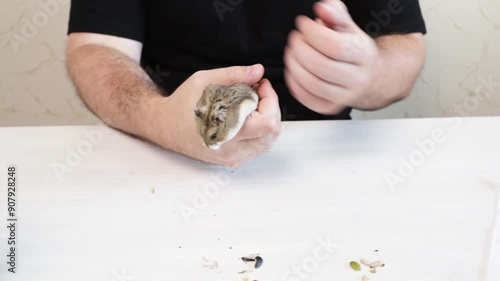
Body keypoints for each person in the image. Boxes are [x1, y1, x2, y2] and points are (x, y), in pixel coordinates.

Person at [65, 0, 426, 167]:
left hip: (323, 157)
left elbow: (405, 46)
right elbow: (95, 49)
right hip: (162, 150)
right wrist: (159, 117)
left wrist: (370, 72)